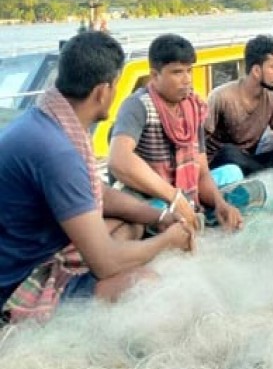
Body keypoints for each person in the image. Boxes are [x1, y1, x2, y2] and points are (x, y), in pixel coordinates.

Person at [0, 32, 193, 324]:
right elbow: (105, 264)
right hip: (18, 278)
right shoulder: (57, 152)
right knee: (149, 285)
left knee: (133, 226)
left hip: (33, 244)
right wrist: (169, 240)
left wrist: (158, 216)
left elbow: (95, 192)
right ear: (103, 91)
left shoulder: (46, 121)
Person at [108, 35, 258, 232]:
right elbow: (118, 161)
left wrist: (220, 204)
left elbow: (201, 173)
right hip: (152, 195)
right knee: (155, 214)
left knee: (234, 173)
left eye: (189, 71)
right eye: (177, 72)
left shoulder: (193, 108)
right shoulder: (138, 105)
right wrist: (174, 197)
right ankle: (190, 215)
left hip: (186, 189)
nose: (187, 79)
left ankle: (203, 212)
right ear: (155, 76)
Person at [204, 35, 273, 175]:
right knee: (229, 152)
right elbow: (198, 142)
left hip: (249, 160)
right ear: (256, 71)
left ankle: (262, 174)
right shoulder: (221, 96)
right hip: (223, 165)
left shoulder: (272, 99)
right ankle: (266, 176)